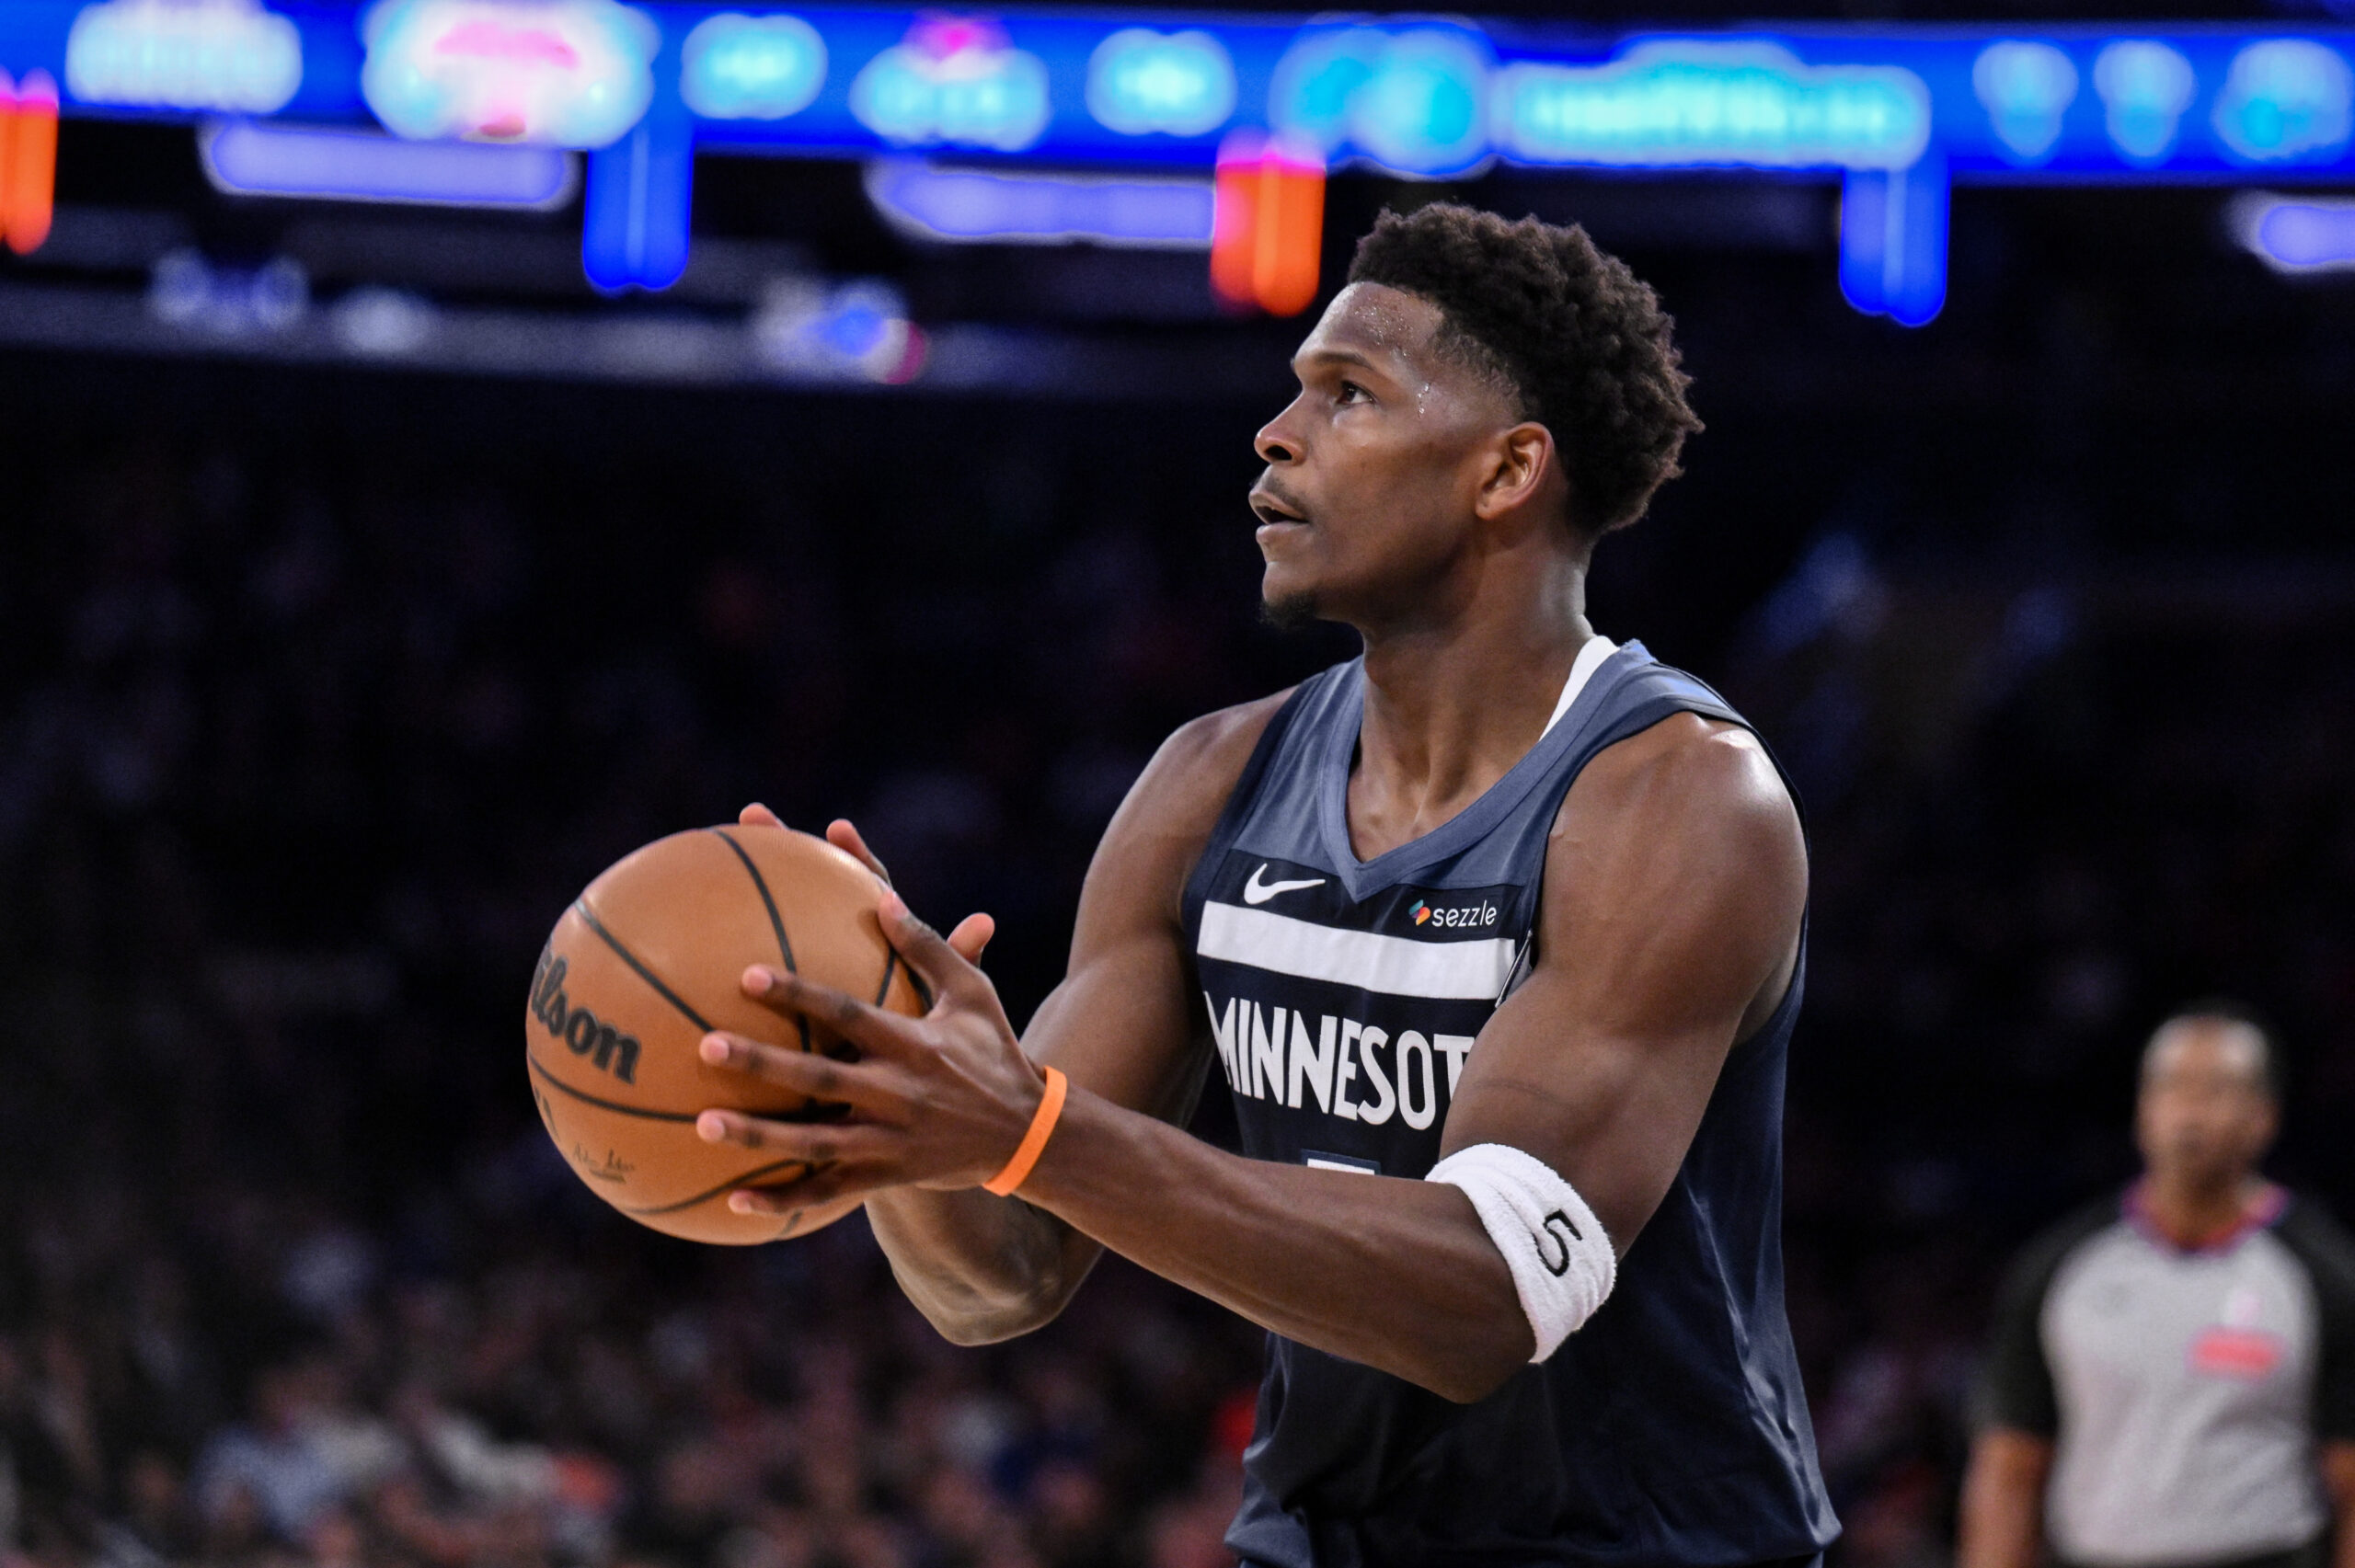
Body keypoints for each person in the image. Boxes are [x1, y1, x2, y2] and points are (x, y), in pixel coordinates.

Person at [701, 204, 1838, 1566]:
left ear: (1508, 470)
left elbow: (1488, 1292)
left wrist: (1028, 1130)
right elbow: (997, 1271)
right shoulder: (1209, 783)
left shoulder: (1679, 800)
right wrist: (886, 1094)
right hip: (1313, 1537)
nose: (1274, 432)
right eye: (1293, 387)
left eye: (1347, 394)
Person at [1959, 1007, 2355, 1568]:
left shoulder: (2322, 1273)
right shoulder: (2064, 1266)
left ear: (2263, 1117)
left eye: (2217, 1089)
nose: (2190, 1110)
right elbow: (2010, 1466)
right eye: (2172, 1087)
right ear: (2143, 1110)